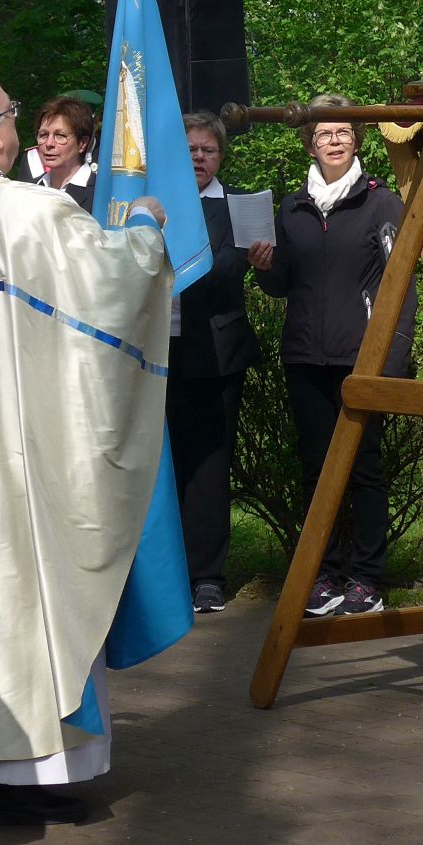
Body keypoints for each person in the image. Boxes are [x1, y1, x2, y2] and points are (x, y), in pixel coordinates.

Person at [0, 71, 172, 825]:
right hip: (16, 447)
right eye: (13, 116)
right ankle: (26, 769)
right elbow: (114, 290)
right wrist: (146, 231)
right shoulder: (30, 211)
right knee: (24, 583)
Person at [247, 93, 414, 619]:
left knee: (363, 468)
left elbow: (401, 285)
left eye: (343, 132)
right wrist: (264, 268)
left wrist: (391, 362)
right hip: (304, 357)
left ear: (357, 140)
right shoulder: (292, 207)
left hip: (360, 358)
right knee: (316, 469)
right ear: (310, 144)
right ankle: (324, 574)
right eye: (323, 133)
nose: (334, 140)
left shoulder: (381, 203)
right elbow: (282, 285)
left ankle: (366, 578)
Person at [168, 111, 260, 613]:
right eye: (190, 150)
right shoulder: (154, 205)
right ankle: (164, 573)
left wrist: (170, 273)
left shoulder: (239, 205)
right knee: (164, 465)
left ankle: (206, 575)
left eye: (208, 150)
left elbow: (230, 269)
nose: (199, 158)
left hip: (216, 356)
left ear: (221, 157)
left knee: (208, 466)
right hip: (159, 354)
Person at [32, 97, 98, 211]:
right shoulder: (30, 188)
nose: (49, 143)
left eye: (60, 135)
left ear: (82, 143)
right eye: (43, 135)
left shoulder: (99, 192)